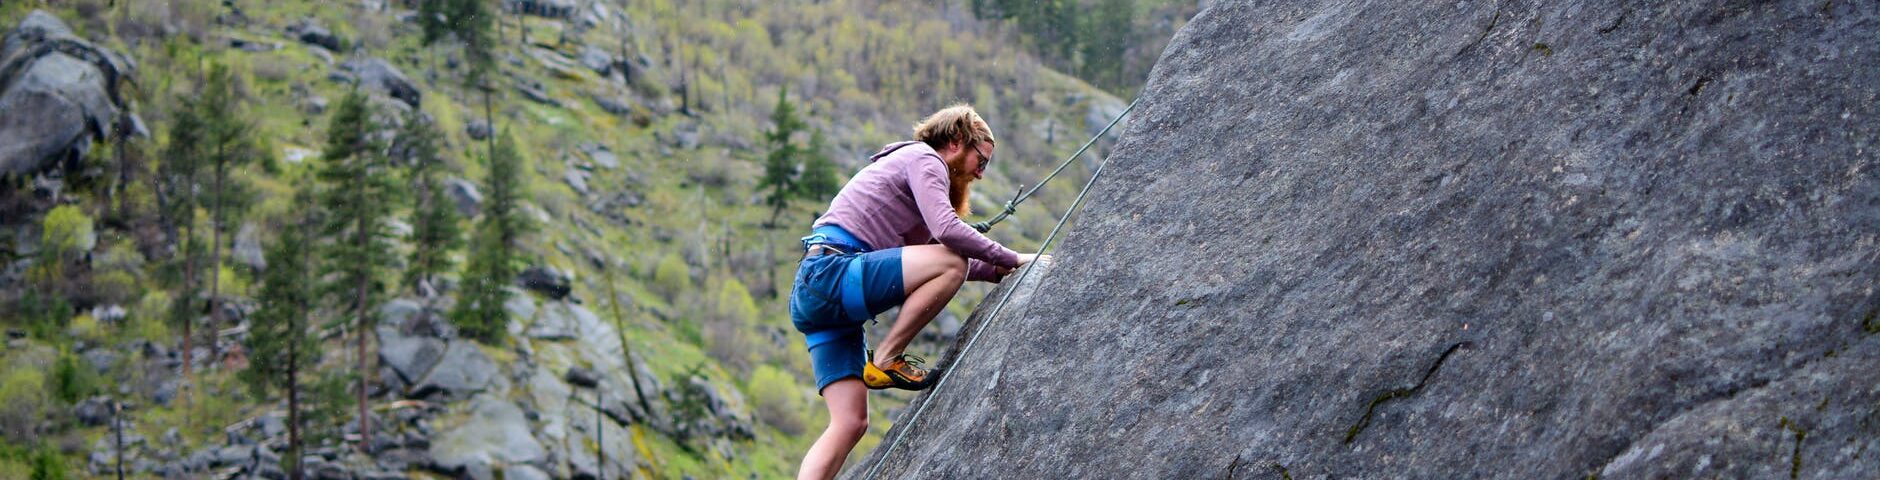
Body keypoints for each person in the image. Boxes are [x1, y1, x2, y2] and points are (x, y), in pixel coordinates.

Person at [790, 104, 1043, 479]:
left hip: (818, 295)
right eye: (981, 160)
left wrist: (998, 268)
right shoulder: (925, 159)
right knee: (951, 261)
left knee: (850, 423)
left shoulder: (910, 169)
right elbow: (947, 237)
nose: (981, 173)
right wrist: (1012, 256)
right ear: (956, 142)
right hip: (834, 272)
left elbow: (937, 259)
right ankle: (888, 357)